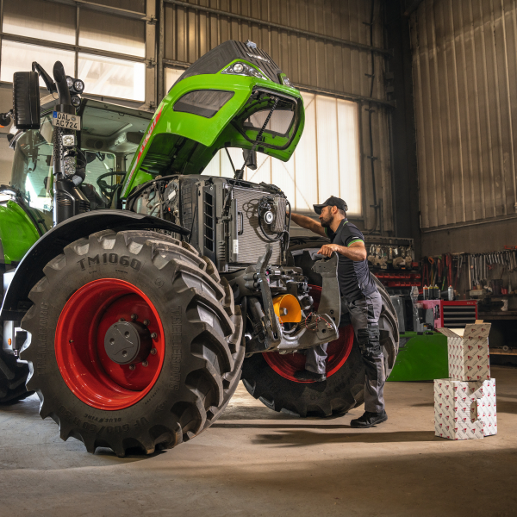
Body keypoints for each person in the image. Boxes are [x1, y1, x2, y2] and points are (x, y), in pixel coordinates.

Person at [289, 196, 387, 428]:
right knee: (321, 321)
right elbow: (310, 224)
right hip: (348, 300)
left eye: (321, 210)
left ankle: (376, 411)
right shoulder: (335, 231)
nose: (318, 215)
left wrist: (336, 248)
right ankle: (316, 370)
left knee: (371, 355)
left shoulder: (349, 230)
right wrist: (286, 214)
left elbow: (361, 253)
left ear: (334, 209)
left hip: (364, 302)